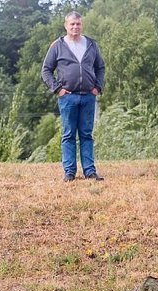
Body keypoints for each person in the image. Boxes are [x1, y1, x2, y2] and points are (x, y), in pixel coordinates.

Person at [41, 11, 106, 182]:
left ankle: (90, 172)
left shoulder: (91, 44)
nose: (75, 27)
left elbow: (100, 67)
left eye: (78, 24)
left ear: (81, 25)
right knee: (68, 135)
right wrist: (57, 89)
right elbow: (46, 70)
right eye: (72, 24)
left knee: (86, 134)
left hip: (88, 97)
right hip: (67, 98)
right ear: (66, 25)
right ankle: (69, 172)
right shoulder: (57, 45)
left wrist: (98, 87)